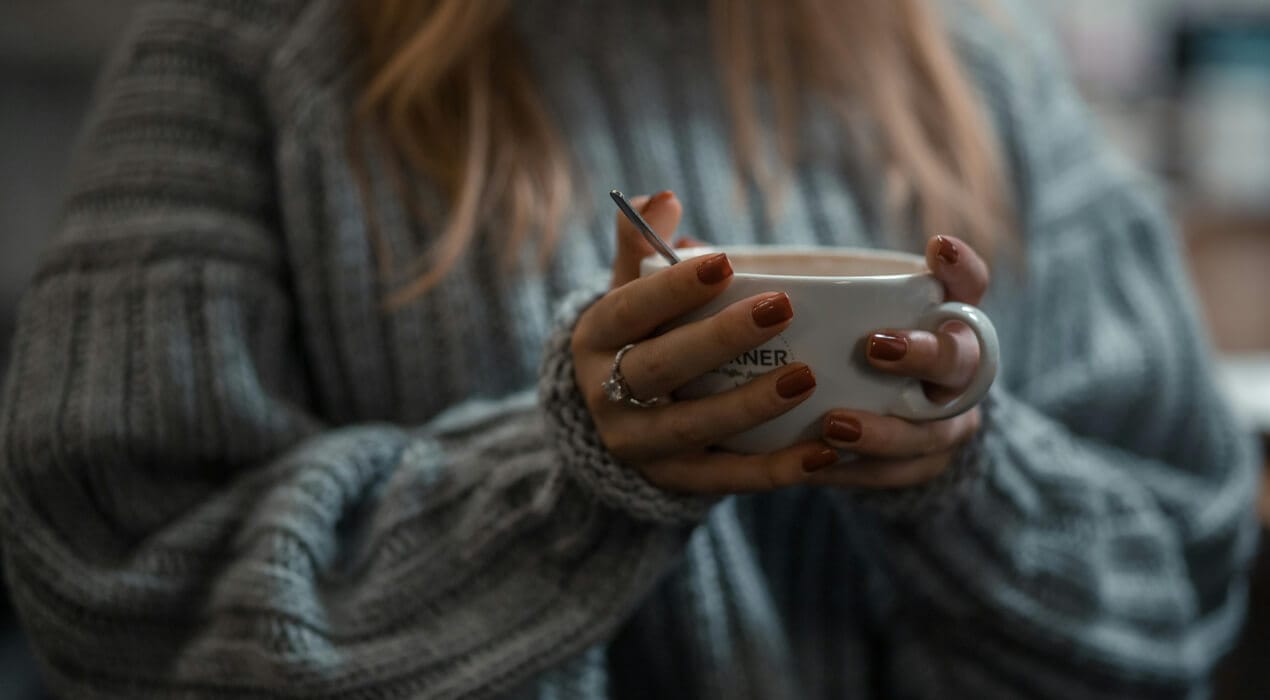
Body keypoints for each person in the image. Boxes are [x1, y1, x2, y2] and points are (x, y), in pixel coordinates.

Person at [0, 0, 1259, 697]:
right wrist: (562, 481)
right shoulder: (249, 54)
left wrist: (965, 468)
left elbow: (1179, 598)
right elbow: (121, 605)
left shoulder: (987, 71)